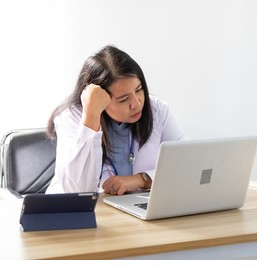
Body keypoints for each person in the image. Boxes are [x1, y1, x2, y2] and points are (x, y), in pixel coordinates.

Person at [45, 45, 186, 195]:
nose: (136, 103)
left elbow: (187, 164)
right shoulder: (71, 118)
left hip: (134, 208)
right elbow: (78, 191)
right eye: (123, 99)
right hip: (76, 213)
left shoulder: (157, 109)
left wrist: (142, 179)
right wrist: (91, 115)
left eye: (138, 89)